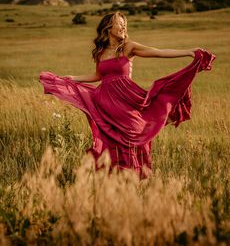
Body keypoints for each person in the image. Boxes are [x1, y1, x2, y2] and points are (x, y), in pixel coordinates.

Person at [39, 11, 216, 179]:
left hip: (126, 100)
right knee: (112, 139)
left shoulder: (128, 47)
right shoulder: (100, 52)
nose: (124, 28)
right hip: (104, 102)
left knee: (134, 134)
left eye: (125, 25)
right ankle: (115, 176)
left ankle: (135, 173)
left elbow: (157, 52)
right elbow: (99, 76)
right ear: (109, 27)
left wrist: (188, 52)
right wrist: (74, 78)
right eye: (120, 24)